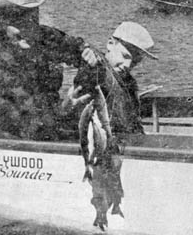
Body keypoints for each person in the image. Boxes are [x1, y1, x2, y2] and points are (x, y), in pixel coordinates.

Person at [64, 21, 158, 230]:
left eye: (134, 61)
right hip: (103, 150)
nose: (128, 65)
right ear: (110, 44)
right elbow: (91, 74)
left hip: (125, 145)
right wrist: (91, 58)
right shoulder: (95, 70)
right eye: (125, 56)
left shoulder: (129, 82)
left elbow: (133, 122)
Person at [0, 0, 89, 141]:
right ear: (1, 23)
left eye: (32, 19)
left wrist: (88, 54)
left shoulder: (44, 36)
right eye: (18, 20)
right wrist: (66, 109)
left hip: (58, 127)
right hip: (22, 146)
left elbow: (79, 48)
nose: (27, 28)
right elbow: (27, 126)